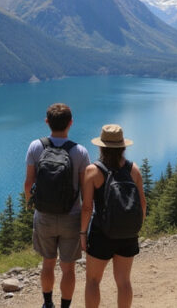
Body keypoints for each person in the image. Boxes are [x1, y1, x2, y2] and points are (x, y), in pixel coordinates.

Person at [25, 103, 90, 308]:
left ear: (47, 122)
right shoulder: (80, 151)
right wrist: (84, 226)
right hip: (71, 217)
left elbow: (28, 184)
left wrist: (33, 205)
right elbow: (85, 190)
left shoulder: (36, 146)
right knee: (68, 269)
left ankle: (47, 303)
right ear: (70, 123)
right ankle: (64, 306)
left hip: (43, 215)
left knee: (48, 263)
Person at [81, 124, 146, 308]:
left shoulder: (92, 171)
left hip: (102, 233)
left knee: (93, 281)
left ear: (101, 147)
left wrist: (82, 235)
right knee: (124, 281)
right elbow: (142, 204)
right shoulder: (134, 170)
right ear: (123, 146)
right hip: (128, 235)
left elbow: (87, 208)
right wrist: (134, 228)